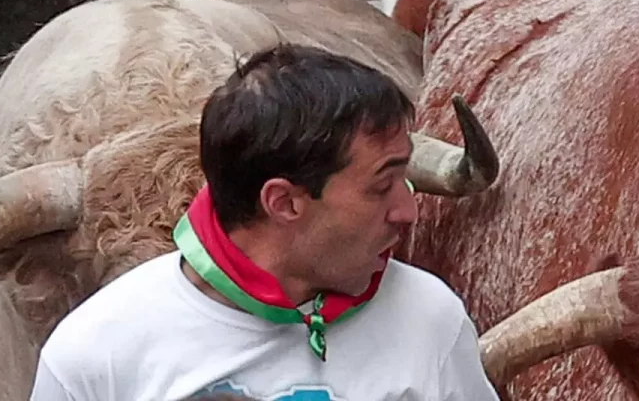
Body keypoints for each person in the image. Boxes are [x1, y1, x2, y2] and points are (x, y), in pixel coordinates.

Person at [28, 43, 500, 400]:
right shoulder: (93, 357)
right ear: (284, 202)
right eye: (381, 186)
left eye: (405, 177)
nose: (409, 211)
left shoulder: (429, 316)